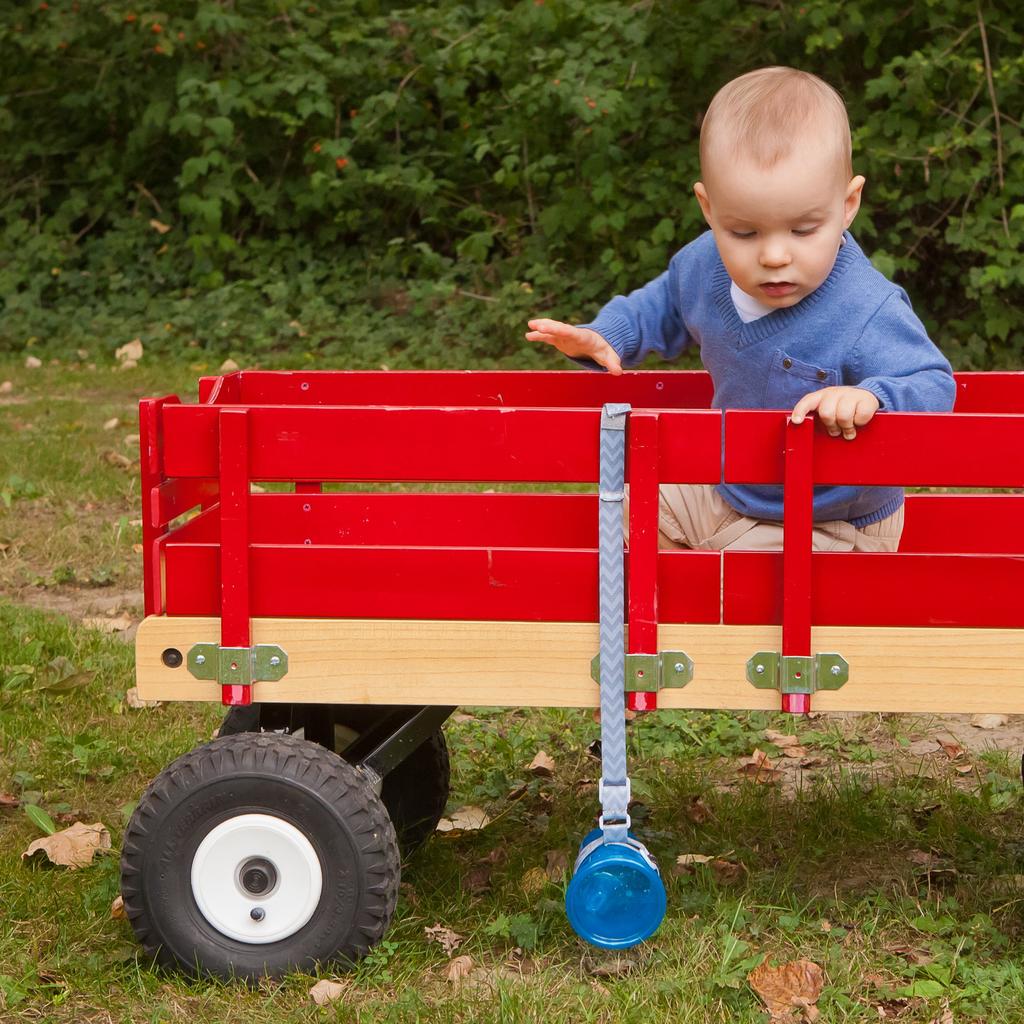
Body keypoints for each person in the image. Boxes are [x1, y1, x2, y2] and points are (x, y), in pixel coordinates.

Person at [525, 67, 955, 552]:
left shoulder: (864, 307)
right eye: (744, 232)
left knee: (746, 573)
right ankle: (683, 595)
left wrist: (873, 398)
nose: (774, 256)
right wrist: (609, 335)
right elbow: (663, 303)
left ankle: (715, 588)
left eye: (803, 230)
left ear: (848, 203)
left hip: (832, 519)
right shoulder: (705, 264)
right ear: (710, 209)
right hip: (732, 490)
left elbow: (931, 382)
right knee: (631, 508)